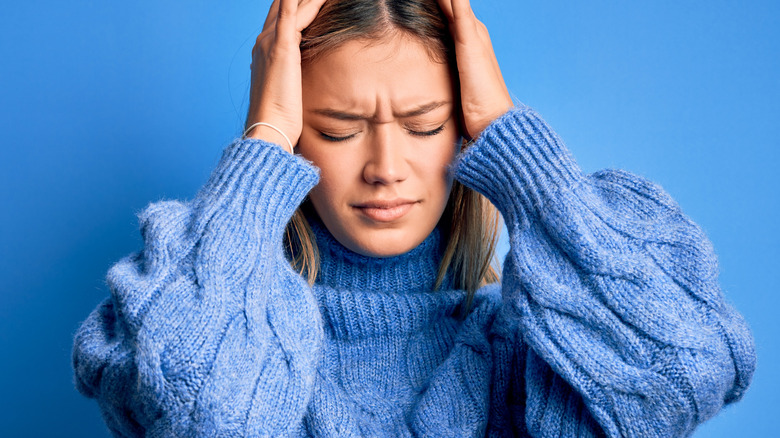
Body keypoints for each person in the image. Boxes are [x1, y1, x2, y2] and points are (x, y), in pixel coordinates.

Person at [71, 0, 756, 436]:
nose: (385, 166)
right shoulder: (216, 332)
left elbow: (689, 371)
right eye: (338, 129)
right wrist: (263, 136)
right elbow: (201, 416)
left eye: (424, 125)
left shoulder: (526, 351)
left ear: (462, 135)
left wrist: (521, 157)